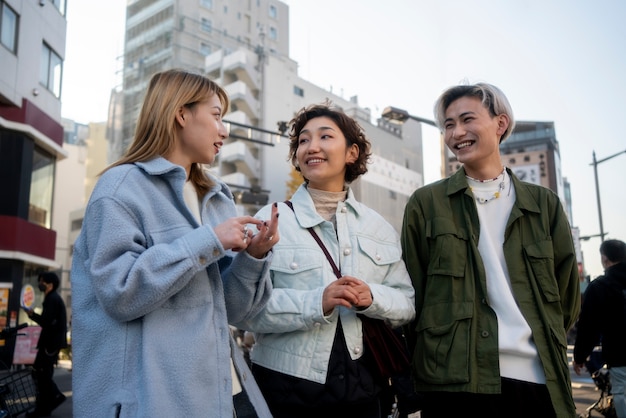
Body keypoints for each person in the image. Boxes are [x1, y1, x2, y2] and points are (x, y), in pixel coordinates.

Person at [70, 69, 279, 418]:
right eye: (216, 116)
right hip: (152, 401)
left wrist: (253, 258)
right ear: (182, 114)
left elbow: (237, 311)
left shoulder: (216, 198)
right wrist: (208, 241)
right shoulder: (120, 188)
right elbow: (120, 293)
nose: (224, 130)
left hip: (227, 393)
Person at [400, 82, 581, 418]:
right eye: (448, 125)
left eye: (467, 119)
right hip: (453, 381)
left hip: (537, 378)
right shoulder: (426, 204)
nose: (457, 133)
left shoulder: (544, 205)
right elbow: (415, 294)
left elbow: (566, 297)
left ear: (500, 124)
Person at [234, 102, 416, 418]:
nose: (311, 147)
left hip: (365, 390)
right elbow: (244, 311)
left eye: (325, 137)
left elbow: (406, 304)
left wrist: (371, 297)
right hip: (283, 389)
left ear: (352, 153)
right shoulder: (272, 219)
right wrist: (318, 301)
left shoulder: (378, 227)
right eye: (303, 140)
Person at [574, 239, 626, 418]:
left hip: (620, 356)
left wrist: (580, 356)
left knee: (623, 397)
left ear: (604, 259)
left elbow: (588, 327)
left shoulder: (599, 287)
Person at [22, 272, 67, 417]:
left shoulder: (52, 299)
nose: (40, 283)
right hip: (50, 345)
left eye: (42, 281)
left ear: (50, 284)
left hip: (49, 346)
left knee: (41, 375)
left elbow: (47, 323)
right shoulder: (52, 299)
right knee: (41, 375)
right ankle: (44, 408)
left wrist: (32, 315)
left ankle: (53, 399)